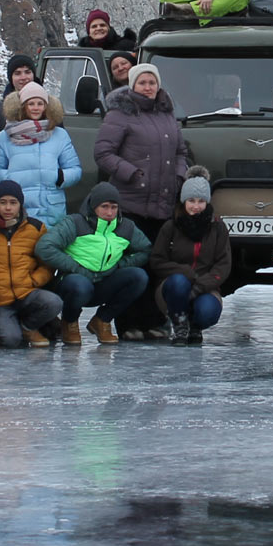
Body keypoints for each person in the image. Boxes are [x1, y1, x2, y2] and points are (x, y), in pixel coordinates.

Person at [93, 63, 191, 339]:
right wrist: (131, 172)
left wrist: (180, 177)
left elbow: (181, 151)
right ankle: (127, 323)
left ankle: (153, 321)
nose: (148, 87)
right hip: (130, 204)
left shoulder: (167, 113)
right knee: (131, 265)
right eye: (142, 83)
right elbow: (103, 152)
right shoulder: (120, 113)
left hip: (162, 205)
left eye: (152, 82)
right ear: (132, 85)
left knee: (156, 264)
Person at [35, 182, 152, 345]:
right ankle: (69, 322)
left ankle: (102, 320)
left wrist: (119, 265)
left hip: (104, 282)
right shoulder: (75, 223)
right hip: (74, 283)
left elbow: (145, 249)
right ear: (93, 206)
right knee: (79, 285)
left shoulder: (126, 227)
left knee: (138, 277)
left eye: (114, 207)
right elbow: (44, 247)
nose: (109, 212)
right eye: (104, 206)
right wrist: (75, 267)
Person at [150, 166, 232, 345]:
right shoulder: (171, 227)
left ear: (207, 202)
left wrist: (200, 285)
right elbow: (157, 260)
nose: (196, 206)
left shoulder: (217, 227)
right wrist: (184, 272)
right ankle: (179, 325)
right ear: (183, 201)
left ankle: (195, 326)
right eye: (191, 201)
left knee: (207, 312)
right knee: (179, 282)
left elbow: (223, 264)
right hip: (173, 289)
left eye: (201, 201)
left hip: (206, 287)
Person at [0, 179, 63, 348]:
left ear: (20, 204)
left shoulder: (35, 228)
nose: (8, 208)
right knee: (11, 341)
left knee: (54, 302)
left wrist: (34, 280)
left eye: (13, 203)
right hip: (0, 300)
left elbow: (47, 263)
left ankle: (28, 327)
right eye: (3, 202)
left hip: (27, 292)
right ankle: (0, 325)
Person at [0, 81, 82, 223]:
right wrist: (11, 178)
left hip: (51, 209)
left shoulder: (59, 135)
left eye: (40, 103)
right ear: (22, 106)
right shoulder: (4, 137)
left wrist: (59, 177)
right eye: (31, 103)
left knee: (50, 244)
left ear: (46, 107)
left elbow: (75, 170)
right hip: (20, 209)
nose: (36, 108)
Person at [0, 54, 36, 146]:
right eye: (17, 73)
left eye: (27, 72)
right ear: (11, 78)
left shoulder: (49, 108)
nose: (23, 77)